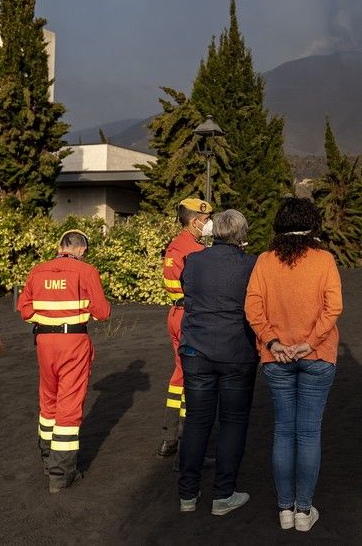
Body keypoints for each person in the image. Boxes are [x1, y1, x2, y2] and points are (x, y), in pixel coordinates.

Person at [245, 197, 342, 533]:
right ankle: (304, 510)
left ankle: (285, 509)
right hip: (316, 356)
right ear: (312, 224)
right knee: (308, 433)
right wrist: (309, 343)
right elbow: (333, 308)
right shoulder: (324, 260)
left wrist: (273, 342)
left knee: (284, 431)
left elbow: (253, 308)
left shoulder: (264, 261)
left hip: (276, 358)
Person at [17, 229, 111, 494]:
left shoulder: (37, 271)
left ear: (60, 246)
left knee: (49, 400)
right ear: (81, 249)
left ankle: (47, 460)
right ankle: (61, 475)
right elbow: (103, 312)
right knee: (69, 405)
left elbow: (25, 310)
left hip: (44, 344)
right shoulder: (86, 271)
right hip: (73, 343)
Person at [177, 209, 258, 516]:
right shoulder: (251, 264)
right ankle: (223, 494)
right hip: (237, 350)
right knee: (233, 422)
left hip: (197, 350)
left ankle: (187, 494)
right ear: (242, 234)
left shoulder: (194, 260)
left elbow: (187, 291)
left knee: (198, 421)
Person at [156, 197, 213, 459]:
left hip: (177, 315)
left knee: (180, 375)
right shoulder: (194, 250)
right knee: (197, 376)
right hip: (192, 317)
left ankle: (170, 436)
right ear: (194, 221)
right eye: (205, 219)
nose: (208, 223)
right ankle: (190, 440)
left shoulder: (175, 246)